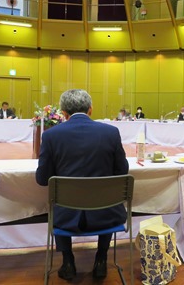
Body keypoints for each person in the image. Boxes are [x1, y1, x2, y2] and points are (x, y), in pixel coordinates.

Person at [36, 89, 129, 280]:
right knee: (105, 199)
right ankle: (101, 258)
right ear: (91, 109)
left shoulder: (51, 136)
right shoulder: (111, 132)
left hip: (66, 217)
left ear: (63, 113)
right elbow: (122, 172)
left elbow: (42, 179)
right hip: (107, 215)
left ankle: (68, 261)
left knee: (58, 202)